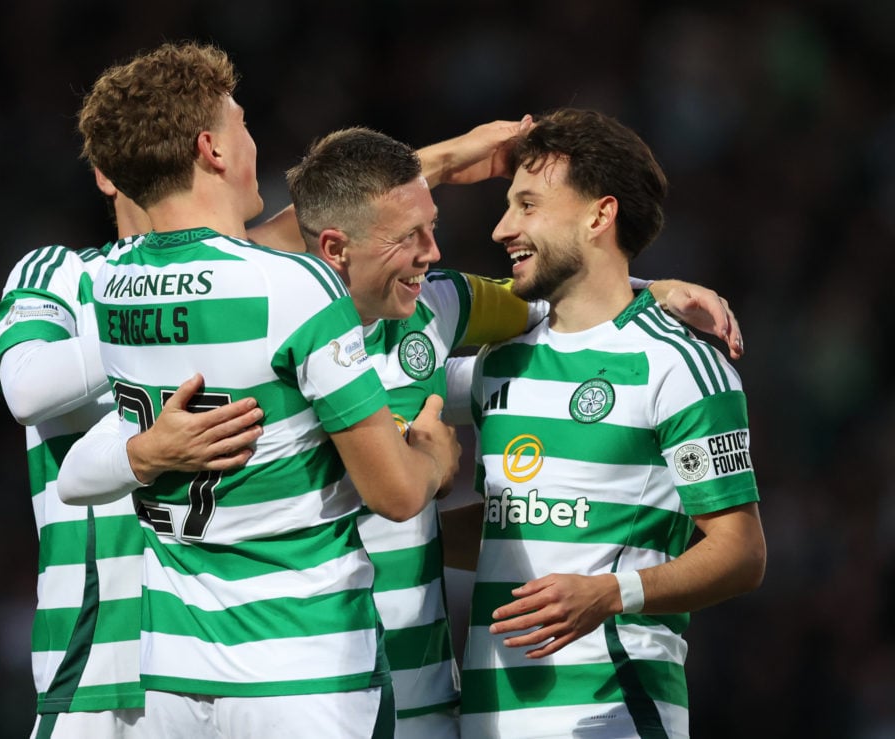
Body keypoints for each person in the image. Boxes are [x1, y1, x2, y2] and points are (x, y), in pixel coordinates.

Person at [61, 119, 744, 738]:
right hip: (295, 671)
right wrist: (144, 451)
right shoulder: (261, 329)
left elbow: (562, 306)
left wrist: (653, 287)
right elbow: (75, 465)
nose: (434, 251)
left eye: (433, 230)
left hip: (424, 695)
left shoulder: (440, 307)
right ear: (335, 247)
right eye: (408, 238)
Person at [71, 40, 461, 737]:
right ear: (211, 150)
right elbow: (395, 493)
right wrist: (434, 456)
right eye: (242, 125)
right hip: (304, 668)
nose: (255, 142)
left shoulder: (108, 288)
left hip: (173, 675)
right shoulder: (295, 288)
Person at [450, 109, 766, 738]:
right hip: (488, 718)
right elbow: (509, 524)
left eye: (528, 205)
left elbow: (741, 552)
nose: (501, 227)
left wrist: (611, 593)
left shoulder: (677, 363)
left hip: (614, 710)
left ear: (599, 215)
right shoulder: (500, 357)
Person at [0, 167, 266, 738]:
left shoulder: (262, 283)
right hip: (99, 666)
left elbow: (350, 209)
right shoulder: (64, 273)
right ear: (107, 172)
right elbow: (25, 388)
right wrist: (154, 321)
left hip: (233, 660)